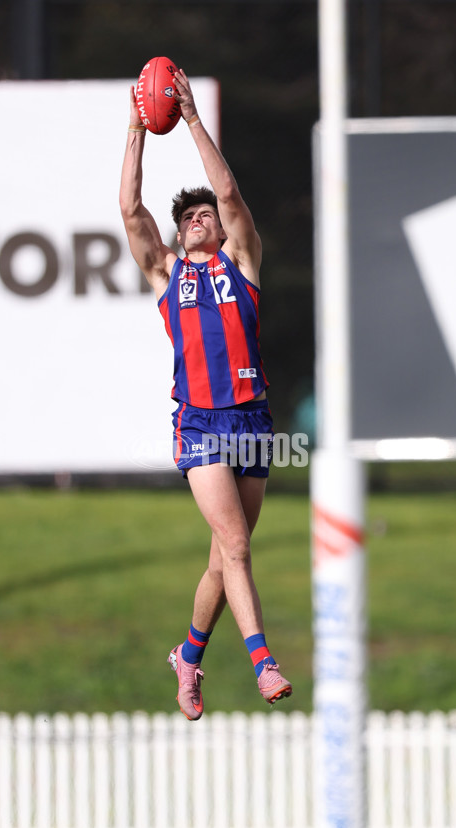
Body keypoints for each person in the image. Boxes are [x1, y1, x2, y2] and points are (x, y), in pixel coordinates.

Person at [119, 67, 292, 721]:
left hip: (252, 419)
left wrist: (191, 118)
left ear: (219, 230)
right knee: (239, 547)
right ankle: (262, 660)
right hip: (200, 423)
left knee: (224, 560)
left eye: (204, 216)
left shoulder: (239, 264)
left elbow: (228, 191)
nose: (197, 219)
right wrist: (136, 129)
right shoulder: (167, 270)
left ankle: (188, 655)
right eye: (186, 217)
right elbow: (131, 211)